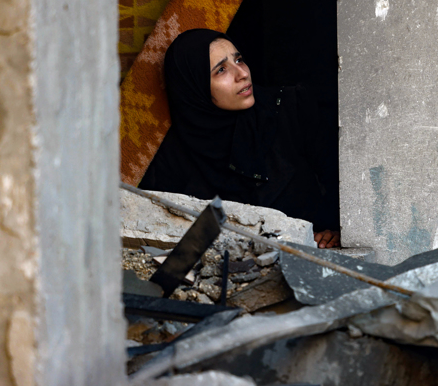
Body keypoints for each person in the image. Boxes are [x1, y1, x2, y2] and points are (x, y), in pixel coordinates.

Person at [139, 28, 340, 248]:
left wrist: (336, 230)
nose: (242, 73)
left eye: (239, 60)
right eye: (221, 70)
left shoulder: (290, 110)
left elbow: (338, 179)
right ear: (195, 88)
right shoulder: (173, 161)